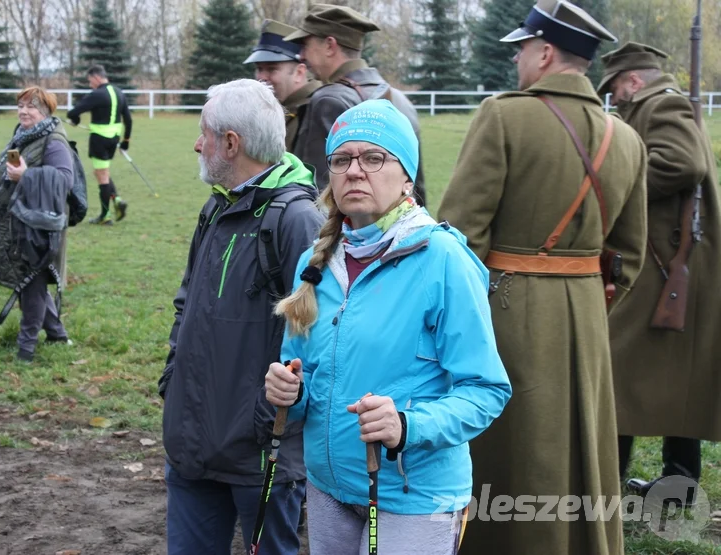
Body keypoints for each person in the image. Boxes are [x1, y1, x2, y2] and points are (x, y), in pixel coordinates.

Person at [437, 1, 649, 554]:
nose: (517, 62)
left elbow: (459, 238)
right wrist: (587, 303)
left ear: (546, 52)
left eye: (522, 50)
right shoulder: (625, 138)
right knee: (580, 450)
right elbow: (628, 254)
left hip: (506, 312)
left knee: (513, 454)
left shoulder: (504, 115)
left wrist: (459, 318)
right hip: (586, 315)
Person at [266, 99, 512, 555]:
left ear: (406, 176)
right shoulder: (314, 263)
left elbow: (486, 390)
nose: (355, 171)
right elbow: (299, 369)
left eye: (374, 157)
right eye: (341, 160)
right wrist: (290, 392)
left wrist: (407, 425)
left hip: (414, 496)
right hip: (328, 485)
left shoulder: (444, 260)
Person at [158, 79, 325, 555]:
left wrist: (268, 415)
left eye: (204, 132)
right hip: (192, 447)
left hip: (260, 452)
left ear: (231, 143)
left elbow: (319, 339)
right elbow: (186, 304)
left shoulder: (298, 221)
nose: (196, 143)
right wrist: (175, 380)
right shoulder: (215, 207)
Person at [598, 42, 721, 498]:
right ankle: (679, 480)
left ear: (632, 80)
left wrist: (621, 184)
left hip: (667, 265)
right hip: (666, 262)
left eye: (615, 87)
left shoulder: (662, 103)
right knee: (670, 373)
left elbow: (683, 164)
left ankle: (608, 480)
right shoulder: (657, 104)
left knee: (615, 367)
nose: (614, 97)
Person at [0, 86, 83, 362]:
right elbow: (12, 169)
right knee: (27, 279)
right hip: (16, 221)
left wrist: (27, 175)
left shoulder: (54, 141)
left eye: (31, 106)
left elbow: (64, 180)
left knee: (31, 282)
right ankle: (57, 334)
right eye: (21, 105)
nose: (23, 111)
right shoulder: (21, 136)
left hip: (39, 226)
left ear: (45, 111)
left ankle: (26, 349)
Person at [284, 4, 427, 205]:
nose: (302, 56)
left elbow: (315, 193)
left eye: (306, 45)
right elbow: (416, 187)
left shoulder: (328, 100)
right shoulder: (400, 100)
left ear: (329, 45)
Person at [244, 19, 322, 154]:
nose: (262, 77)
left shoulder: (317, 109)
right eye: (259, 68)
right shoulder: (276, 109)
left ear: (299, 73)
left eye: (272, 69)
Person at [67, 64, 132, 225]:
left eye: (90, 81)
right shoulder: (119, 92)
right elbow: (128, 120)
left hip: (99, 140)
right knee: (101, 172)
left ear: (96, 77)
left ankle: (105, 215)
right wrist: (125, 141)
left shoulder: (97, 94)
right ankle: (116, 200)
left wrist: (75, 121)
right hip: (114, 140)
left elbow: (73, 112)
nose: (90, 85)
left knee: (102, 176)